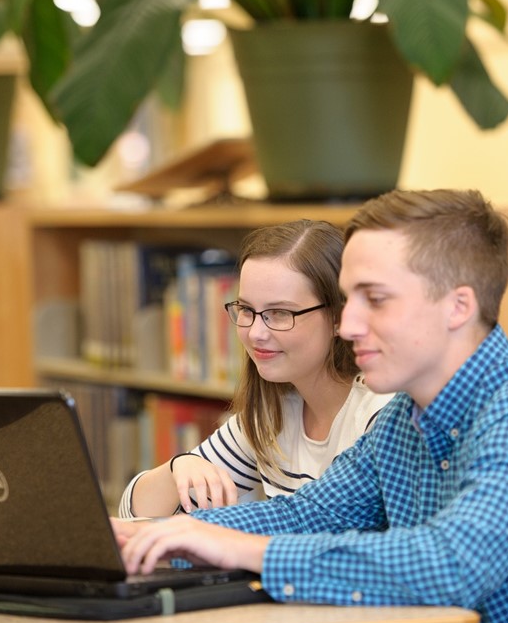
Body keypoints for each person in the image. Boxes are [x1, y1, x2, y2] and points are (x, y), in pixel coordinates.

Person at [112, 190, 508, 623]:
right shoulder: (406, 421)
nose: (348, 325)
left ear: (458, 306)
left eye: (376, 299)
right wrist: (153, 539)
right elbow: (309, 515)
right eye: (348, 299)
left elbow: (448, 565)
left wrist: (234, 547)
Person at [119, 219, 394, 517]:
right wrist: (177, 468)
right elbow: (133, 518)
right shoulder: (269, 415)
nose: (255, 333)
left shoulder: (379, 414)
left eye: (279, 313)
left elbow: (320, 529)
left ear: (340, 317)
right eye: (247, 310)